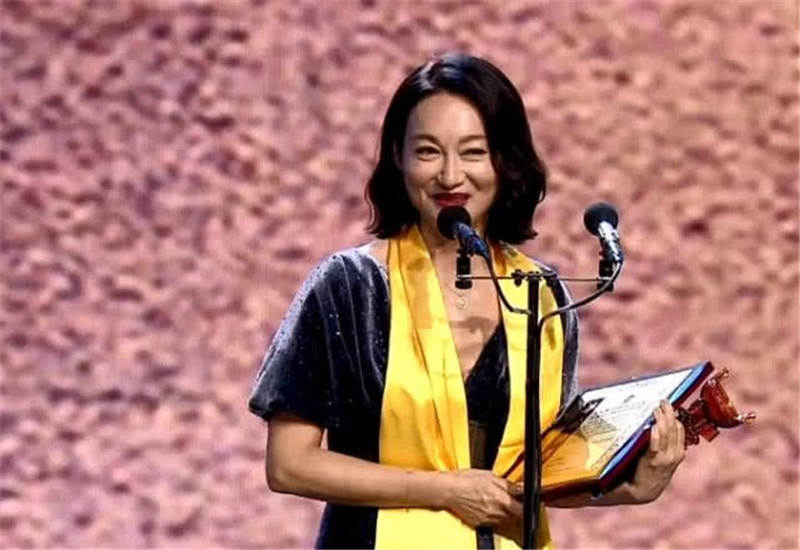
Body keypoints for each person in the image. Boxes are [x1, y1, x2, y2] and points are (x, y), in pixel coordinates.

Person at [248, 53, 686, 549]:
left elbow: (536, 475)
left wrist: (632, 487)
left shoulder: (540, 293)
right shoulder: (350, 286)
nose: (451, 176)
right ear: (397, 158)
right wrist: (444, 490)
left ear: (505, 161)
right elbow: (289, 464)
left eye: (474, 153)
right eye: (428, 152)